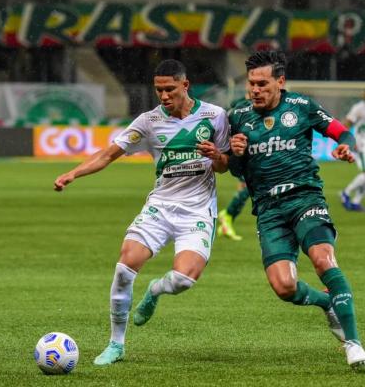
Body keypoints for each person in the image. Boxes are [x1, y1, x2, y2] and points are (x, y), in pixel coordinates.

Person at [54, 59, 230, 365]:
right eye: (158, 89)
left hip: (197, 212)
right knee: (124, 267)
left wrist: (216, 156)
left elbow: (226, 165)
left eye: (169, 89)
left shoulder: (215, 116)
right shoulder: (148, 121)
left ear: (185, 85)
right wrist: (73, 174)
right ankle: (116, 345)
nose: (163, 95)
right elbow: (108, 154)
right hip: (160, 208)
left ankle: (154, 291)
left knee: (183, 280)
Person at [228, 50, 365, 371]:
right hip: (268, 210)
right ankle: (327, 302)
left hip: (305, 198)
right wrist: (235, 155)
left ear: (280, 81)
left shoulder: (302, 107)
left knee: (322, 258)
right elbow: (235, 171)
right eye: (251, 84)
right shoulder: (238, 116)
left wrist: (345, 145)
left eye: (262, 83)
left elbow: (339, 131)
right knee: (284, 287)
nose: (255, 90)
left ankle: (354, 343)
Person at [218, 94, 251, 241]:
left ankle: (226, 223)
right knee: (247, 187)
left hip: (249, 154)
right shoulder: (240, 107)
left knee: (246, 187)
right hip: (239, 155)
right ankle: (227, 215)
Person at [340, 91, 365, 211]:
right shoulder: (359, 108)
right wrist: (346, 139)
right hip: (362, 144)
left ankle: (356, 202)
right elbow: (347, 124)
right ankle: (346, 192)